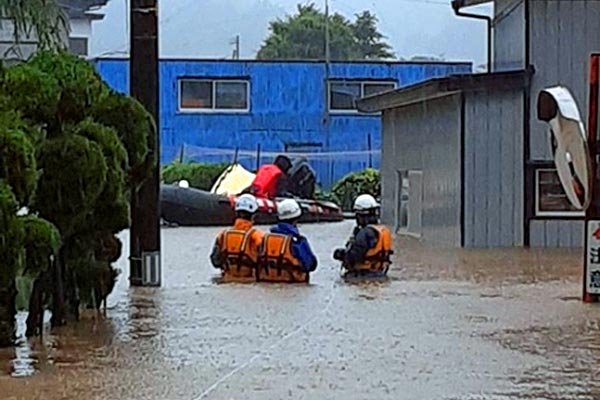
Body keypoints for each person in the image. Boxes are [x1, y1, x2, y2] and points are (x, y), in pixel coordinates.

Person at [258, 199, 318, 283]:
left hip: (266, 282)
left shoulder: (266, 239)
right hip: (292, 282)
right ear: (296, 219)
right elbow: (310, 265)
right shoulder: (298, 241)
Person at [333, 194, 393, 277]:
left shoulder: (365, 233)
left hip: (362, 275)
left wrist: (340, 254)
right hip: (380, 274)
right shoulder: (382, 230)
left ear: (360, 215)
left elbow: (353, 257)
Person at [210, 194, 264, 282]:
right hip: (250, 280)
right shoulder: (258, 236)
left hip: (227, 280)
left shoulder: (223, 235)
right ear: (254, 215)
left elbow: (215, 262)